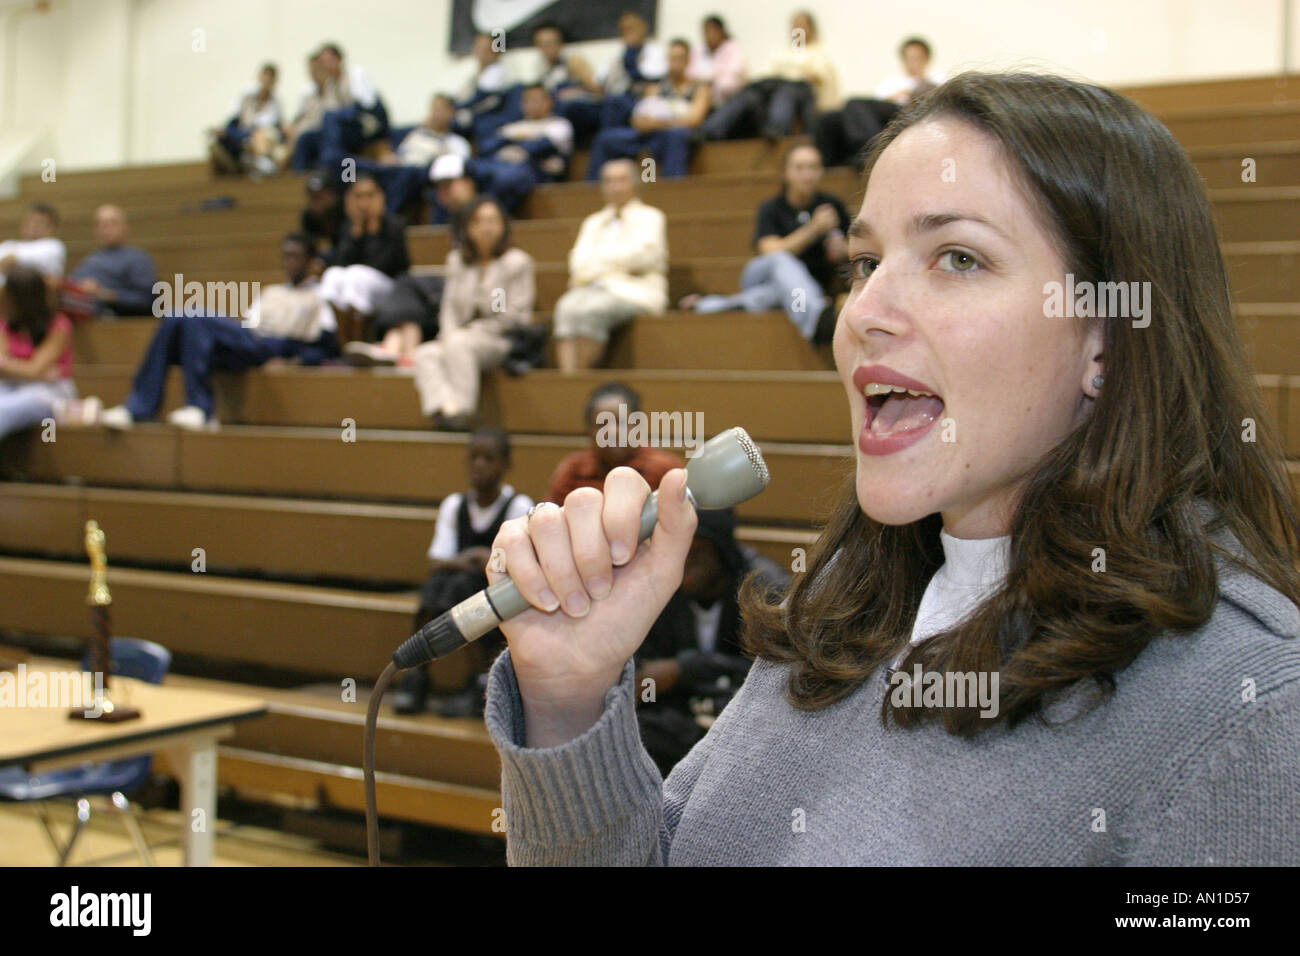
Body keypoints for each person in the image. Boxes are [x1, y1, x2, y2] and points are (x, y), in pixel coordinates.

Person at [475, 72, 1300, 866]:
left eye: (958, 259)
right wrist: (569, 700)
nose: (862, 313)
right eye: (864, 263)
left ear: (1109, 339)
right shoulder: (841, 605)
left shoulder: (1248, 708)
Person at [98, 233, 339, 431]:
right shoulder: (272, 291)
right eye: (286, 256)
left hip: (274, 346)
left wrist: (296, 361)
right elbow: (248, 325)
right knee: (175, 318)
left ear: (311, 261)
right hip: (248, 339)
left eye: (296, 257)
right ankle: (137, 408)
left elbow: (329, 347)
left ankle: (199, 407)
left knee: (191, 316)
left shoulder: (320, 296)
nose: (289, 262)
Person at [391, 427, 535, 717]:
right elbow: (437, 560)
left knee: (460, 585)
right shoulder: (454, 504)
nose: (479, 465)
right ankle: (417, 676)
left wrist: (483, 562)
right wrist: (477, 557)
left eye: (489, 458)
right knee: (440, 586)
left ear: (506, 464)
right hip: (460, 589)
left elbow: (524, 567)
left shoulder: (519, 505)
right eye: (474, 458)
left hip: (502, 600)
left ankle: (478, 682)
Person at [634, 507, 788, 775]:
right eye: (680, 552)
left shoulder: (767, 592)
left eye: (699, 552)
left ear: (722, 551)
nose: (687, 563)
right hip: (682, 722)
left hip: (745, 723)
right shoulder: (662, 588)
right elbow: (642, 675)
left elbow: (780, 679)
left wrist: (693, 668)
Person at [679, 140, 849, 341]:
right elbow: (770, 250)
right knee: (781, 260)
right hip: (763, 273)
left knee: (773, 295)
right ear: (785, 173)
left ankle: (707, 305)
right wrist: (813, 230)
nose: (807, 175)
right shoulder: (772, 207)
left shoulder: (831, 205)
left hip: (802, 290)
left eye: (813, 167)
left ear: (821, 171)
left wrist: (842, 250)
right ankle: (815, 319)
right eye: (799, 168)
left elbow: (854, 249)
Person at [409, 197, 534, 430]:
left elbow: (513, 316)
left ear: (503, 225)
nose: (485, 227)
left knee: (458, 343)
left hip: (499, 338)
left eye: (491, 220)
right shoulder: (457, 261)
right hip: (460, 336)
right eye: (478, 221)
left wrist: (467, 330)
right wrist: (448, 333)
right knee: (426, 352)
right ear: (468, 228)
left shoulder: (515, 263)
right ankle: (446, 409)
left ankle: (464, 411)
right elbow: (449, 307)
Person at [553, 159, 667, 372]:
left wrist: (600, 263)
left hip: (634, 291)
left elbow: (646, 257)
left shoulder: (651, 216)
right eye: (609, 181)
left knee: (592, 310)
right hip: (591, 288)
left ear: (634, 183)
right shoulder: (592, 222)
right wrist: (619, 265)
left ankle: (584, 379)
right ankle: (569, 381)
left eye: (621, 180)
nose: (615, 187)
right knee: (565, 307)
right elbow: (578, 263)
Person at [701, 10, 839, 141]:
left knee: (786, 90)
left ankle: (777, 129)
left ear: (811, 28)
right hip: (775, 90)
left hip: (800, 93)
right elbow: (768, 76)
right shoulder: (781, 52)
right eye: (795, 24)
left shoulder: (818, 52)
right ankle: (710, 130)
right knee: (749, 93)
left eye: (802, 24)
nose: (798, 27)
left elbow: (817, 77)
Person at [585, 39, 709, 182]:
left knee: (675, 136)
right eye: (671, 58)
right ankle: (591, 189)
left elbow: (694, 119)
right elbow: (639, 116)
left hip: (675, 134)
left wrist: (659, 123)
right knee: (605, 139)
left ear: (688, 60)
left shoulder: (700, 88)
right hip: (650, 135)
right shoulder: (656, 88)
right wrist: (641, 122)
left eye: (679, 58)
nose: (674, 63)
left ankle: (671, 190)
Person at [546, 381, 683, 504]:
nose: (612, 432)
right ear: (588, 430)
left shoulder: (665, 469)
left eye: (620, 422)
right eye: (602, 424)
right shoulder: (573, 470)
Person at [816, 37, 944, 168]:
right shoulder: (892, 82)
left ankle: (870, 152)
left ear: (926, 59)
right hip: (883, 118)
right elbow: (876, 105)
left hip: (909, 113)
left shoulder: (937, 78)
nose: (911, 63)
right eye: (907, 58)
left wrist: (909, 94)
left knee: (853, 103)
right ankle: (833, 168)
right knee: (830, 118)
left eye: (916, 58)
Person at [320, 174, 410, 345]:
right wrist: (356, 234)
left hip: (389, 288)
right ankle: (342, 343)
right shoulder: (347, 228)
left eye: (370, 196)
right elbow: (339, 263)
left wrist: (373, 230)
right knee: (333, 275)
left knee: (356, 274)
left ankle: (359, 342)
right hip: (354, 285)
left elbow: (392, 265)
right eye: (358, 196)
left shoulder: (394, 225)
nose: (364, 202)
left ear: (380, 197)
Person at [0, 265, 76, 439]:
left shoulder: (59, 325)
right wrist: (33, 372)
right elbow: (34, 370)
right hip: (11, 385)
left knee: (2, 410)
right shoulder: (6, 324)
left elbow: (33, 369)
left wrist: (16, 368)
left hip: (50, 391)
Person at [472, 84, 574, 212]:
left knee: (508, 177)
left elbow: (541, 146)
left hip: (535, 173)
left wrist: (513, 140)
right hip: (501, 166)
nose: (532, 104)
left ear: (549, 102)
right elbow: (486, 148)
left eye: (536, 100)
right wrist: (516, 138)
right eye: (527, 100)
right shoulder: (516, 125)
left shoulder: (559, 125)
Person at [67, 205, 157, 317]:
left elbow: (145, 300)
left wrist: (102, 294)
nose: (104, 228)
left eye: (112, 223)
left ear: (125, 228)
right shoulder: (89, 260)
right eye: (99, 224)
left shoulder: (138, 258)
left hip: (115, 318)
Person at [594, 10, 668, 129]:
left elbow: (645, 78)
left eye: (632, 28)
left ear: (643, 28)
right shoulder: (616, 54)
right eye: (624, 30)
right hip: (613, 97)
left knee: (614, 103)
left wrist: (631, 53)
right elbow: (600, 80)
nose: (629, 33)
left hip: (640, 99)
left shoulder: (656, 52)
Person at [532, 22, 602, 144]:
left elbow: (598, 91)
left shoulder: (574, 62)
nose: (548, 48)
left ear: (560, 43)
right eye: (543, 44)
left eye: (551, 43)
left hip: (579, 109)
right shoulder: (541, 69)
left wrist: (577, 91)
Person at [209, 63, 283, 177]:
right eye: (265, 77)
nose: (267, 81)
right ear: (260, 78)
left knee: (261, 138)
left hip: (261, 140)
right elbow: (233, 122)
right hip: (243, 137)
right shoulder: (246, 98)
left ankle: (257, 163)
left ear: (274, 82)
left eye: (270, 78)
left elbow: (274, 128)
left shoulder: (276, 104)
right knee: (218, 141)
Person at [452, 32, 516, 144]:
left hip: (489, 117)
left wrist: (453, 108)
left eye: (486, 49)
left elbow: (478, 97)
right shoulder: (476, 75)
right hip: (474, 114)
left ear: (496, 52)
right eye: (478, 47)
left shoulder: (497, 71)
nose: (481, 52)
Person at [687, 15, 746, 107]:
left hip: (724, 101)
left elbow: (732, 78)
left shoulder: (733, 48)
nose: (708, 35)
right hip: (697, 98)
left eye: (712, 31)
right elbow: (689, 74)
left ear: (721, 32)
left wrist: (709, 81)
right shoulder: (698, 49)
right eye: (705, 32)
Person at [0, 204, 65, 282]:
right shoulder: (8, 244)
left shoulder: (54, 246)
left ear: (53, 228)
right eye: (30, 221)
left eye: (40, 222)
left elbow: (11, 260)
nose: (33, 226)